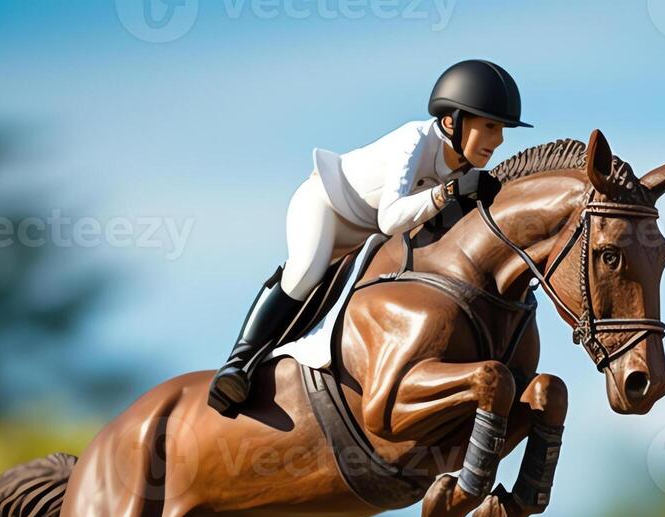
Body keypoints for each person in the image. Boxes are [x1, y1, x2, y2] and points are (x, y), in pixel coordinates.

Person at [207, 59, 532, 416]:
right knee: (306, 272)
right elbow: (391, 217)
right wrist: (448, 193)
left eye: (501, 129)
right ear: (451, 121)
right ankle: (236, 364)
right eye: (489, 126)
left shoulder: (463, 167)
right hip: (327, 207)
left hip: (370, 236)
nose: (498, 140)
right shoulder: (414, 141)